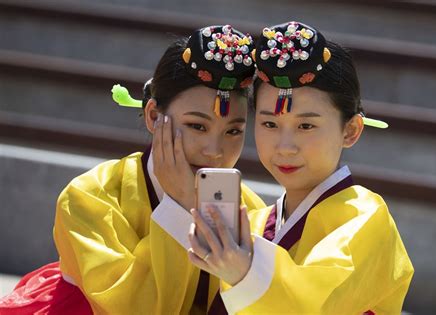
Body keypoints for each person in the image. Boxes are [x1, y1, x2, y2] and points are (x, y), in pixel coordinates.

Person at [0, 25, 265, 314]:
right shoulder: (91, 196)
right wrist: (179, 207)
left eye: (234, 131)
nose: (214, 150)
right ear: (154, 116)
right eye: (197, 126)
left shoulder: (251, 212)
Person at [188, 21, 414, 315]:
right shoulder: (256, 223)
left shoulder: (366, 217)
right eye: (270, 124)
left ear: (351, 130)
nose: (285, 146)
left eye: (306, 125)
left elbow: (313, 306)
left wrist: (245, 274)